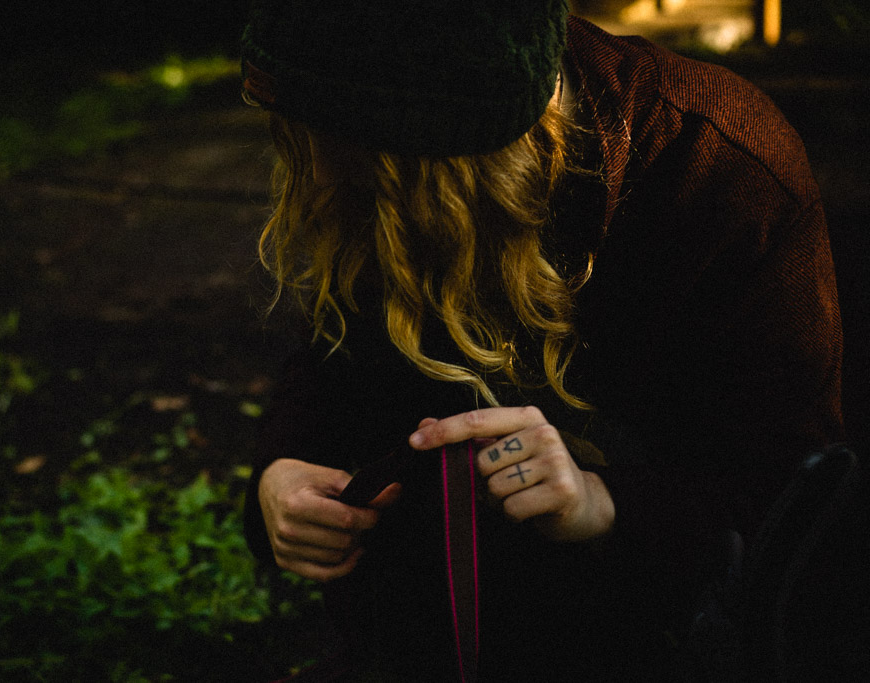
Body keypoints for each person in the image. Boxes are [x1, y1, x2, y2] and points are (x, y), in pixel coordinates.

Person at [239, 1, 844, 680]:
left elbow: (798, 497)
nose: (323, 174)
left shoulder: (724, 171)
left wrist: (604, 501)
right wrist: (283, 467)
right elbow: (336, 346)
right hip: (413, 638)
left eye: (363, 152)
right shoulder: (367, 132)